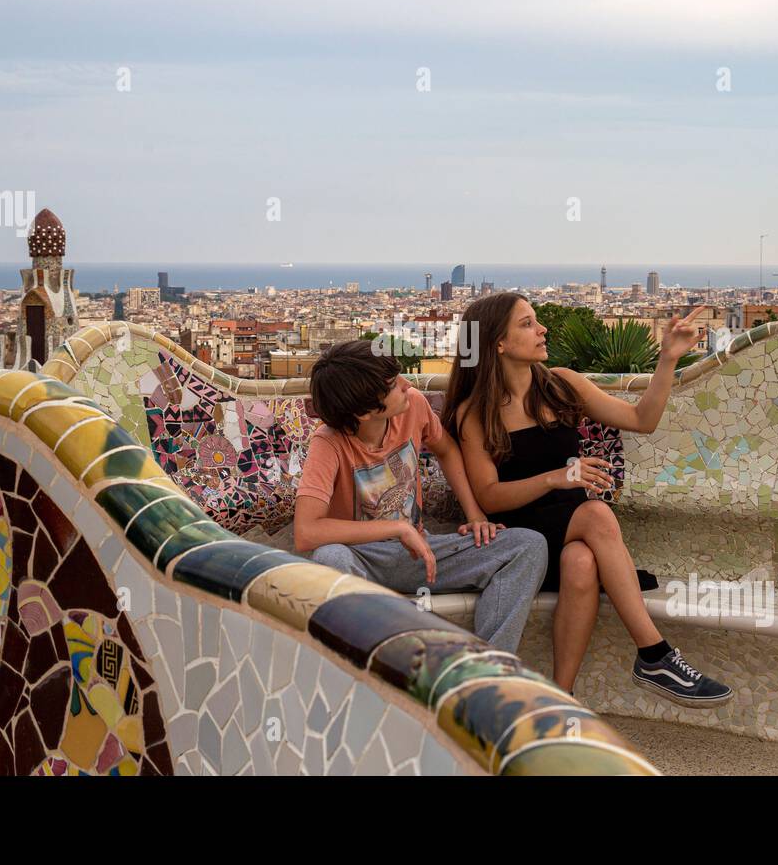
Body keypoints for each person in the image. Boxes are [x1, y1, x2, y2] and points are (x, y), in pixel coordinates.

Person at [442, 293, 732, 706]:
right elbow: (490, 497)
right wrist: (555, 479)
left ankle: (562, 700)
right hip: (526, 543)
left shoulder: (561, 383)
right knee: (595, 513)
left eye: (536, 320)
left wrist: (668, 359)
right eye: (527, 324)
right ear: (497, 344)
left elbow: (640, 420)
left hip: (573, 536)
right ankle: (654, 654)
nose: (542, 329)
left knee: (582, 561)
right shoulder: (476, 412)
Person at [294, 339, 547, 654]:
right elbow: (306, 532)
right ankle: (375, 668)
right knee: (329, 558)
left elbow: (447, 450)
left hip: (421, 555)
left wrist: (475, 514)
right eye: (393, 385)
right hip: (361, 562)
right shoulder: (328, 443)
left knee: (529, 546)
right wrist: (398, 528)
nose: (407, 384)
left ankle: (486, 673)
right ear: (363, 411)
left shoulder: (412, 404)